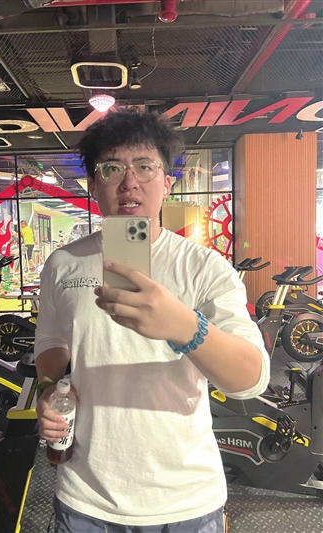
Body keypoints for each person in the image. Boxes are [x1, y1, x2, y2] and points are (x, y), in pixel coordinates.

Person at [34, 108, 270, 533]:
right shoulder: (63, 263)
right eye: (112, 168)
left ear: (167, 183)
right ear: (93, 185)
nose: (129, 182)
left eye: (145, 166)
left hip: (184, 499)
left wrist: (185, 327)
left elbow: (251, 379)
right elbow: (51, 340)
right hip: (85, 494)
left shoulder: (204, 268)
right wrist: (50, 390)